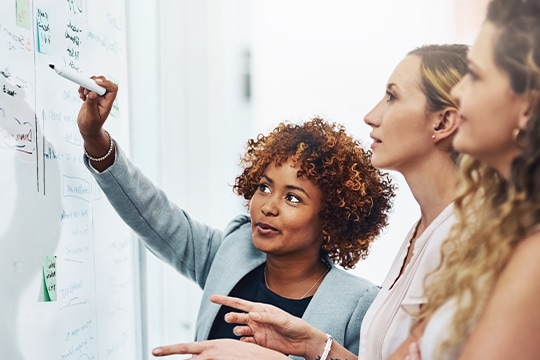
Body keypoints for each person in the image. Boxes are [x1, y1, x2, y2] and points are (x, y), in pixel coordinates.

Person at [151, 43, 469, 359]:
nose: (371, 116)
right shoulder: (420, 233)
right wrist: (320, 348)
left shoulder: (465, 243)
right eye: (263, 187)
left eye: (393, 96)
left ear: (442, 122)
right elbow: (159, 219)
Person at [76, 83, 396, 357]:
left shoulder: (357, 306)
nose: (268, 206)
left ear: (331, 217)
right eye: (264, 187)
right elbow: (154, 216)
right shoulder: (234, 251)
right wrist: (95, 139)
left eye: (293, 197)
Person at [388, 0, 540, 359]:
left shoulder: (534, 257)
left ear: (528, 107)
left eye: (476, 74)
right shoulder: (496, 234)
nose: (457, 92)